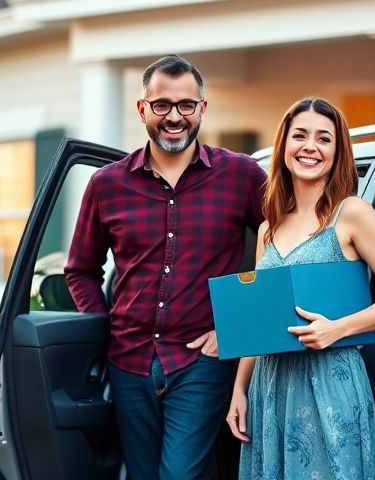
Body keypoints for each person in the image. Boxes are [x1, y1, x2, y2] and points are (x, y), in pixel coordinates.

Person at [64, 54, 267, 480]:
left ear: (202, 109)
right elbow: (80, 269)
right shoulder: (107, 185)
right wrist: (101, 328)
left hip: (201, 361)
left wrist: (234, 327)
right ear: (143, 109)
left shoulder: (242, 176)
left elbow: (281, 250)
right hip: (128, 362)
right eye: (162, 106)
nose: (174, 117)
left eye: (186, 105)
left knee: (179, 475)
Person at [227, 97, 375, 479]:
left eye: (324, 139)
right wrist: (239, 389)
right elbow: (258, 318)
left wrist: (338, 328)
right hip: (270, 385)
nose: (310, 147)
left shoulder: (352, 214)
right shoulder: (270, 227)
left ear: (338, 152)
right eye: (299, 136)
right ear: (284, 144)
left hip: (329, 381)